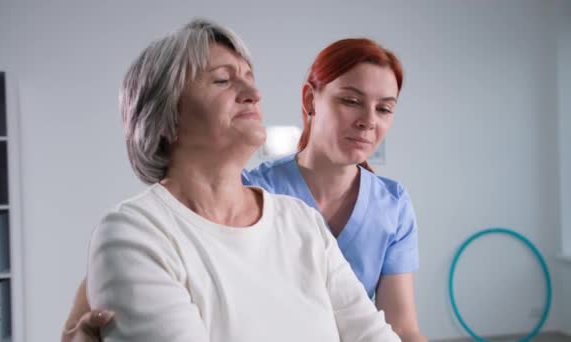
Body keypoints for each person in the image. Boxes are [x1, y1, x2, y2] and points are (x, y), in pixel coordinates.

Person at [70, 18, 401, 342]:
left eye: (250, 78)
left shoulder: (302, 222)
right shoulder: (134, 234)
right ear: (163, 117)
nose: (254, 93)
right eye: (222, 80)